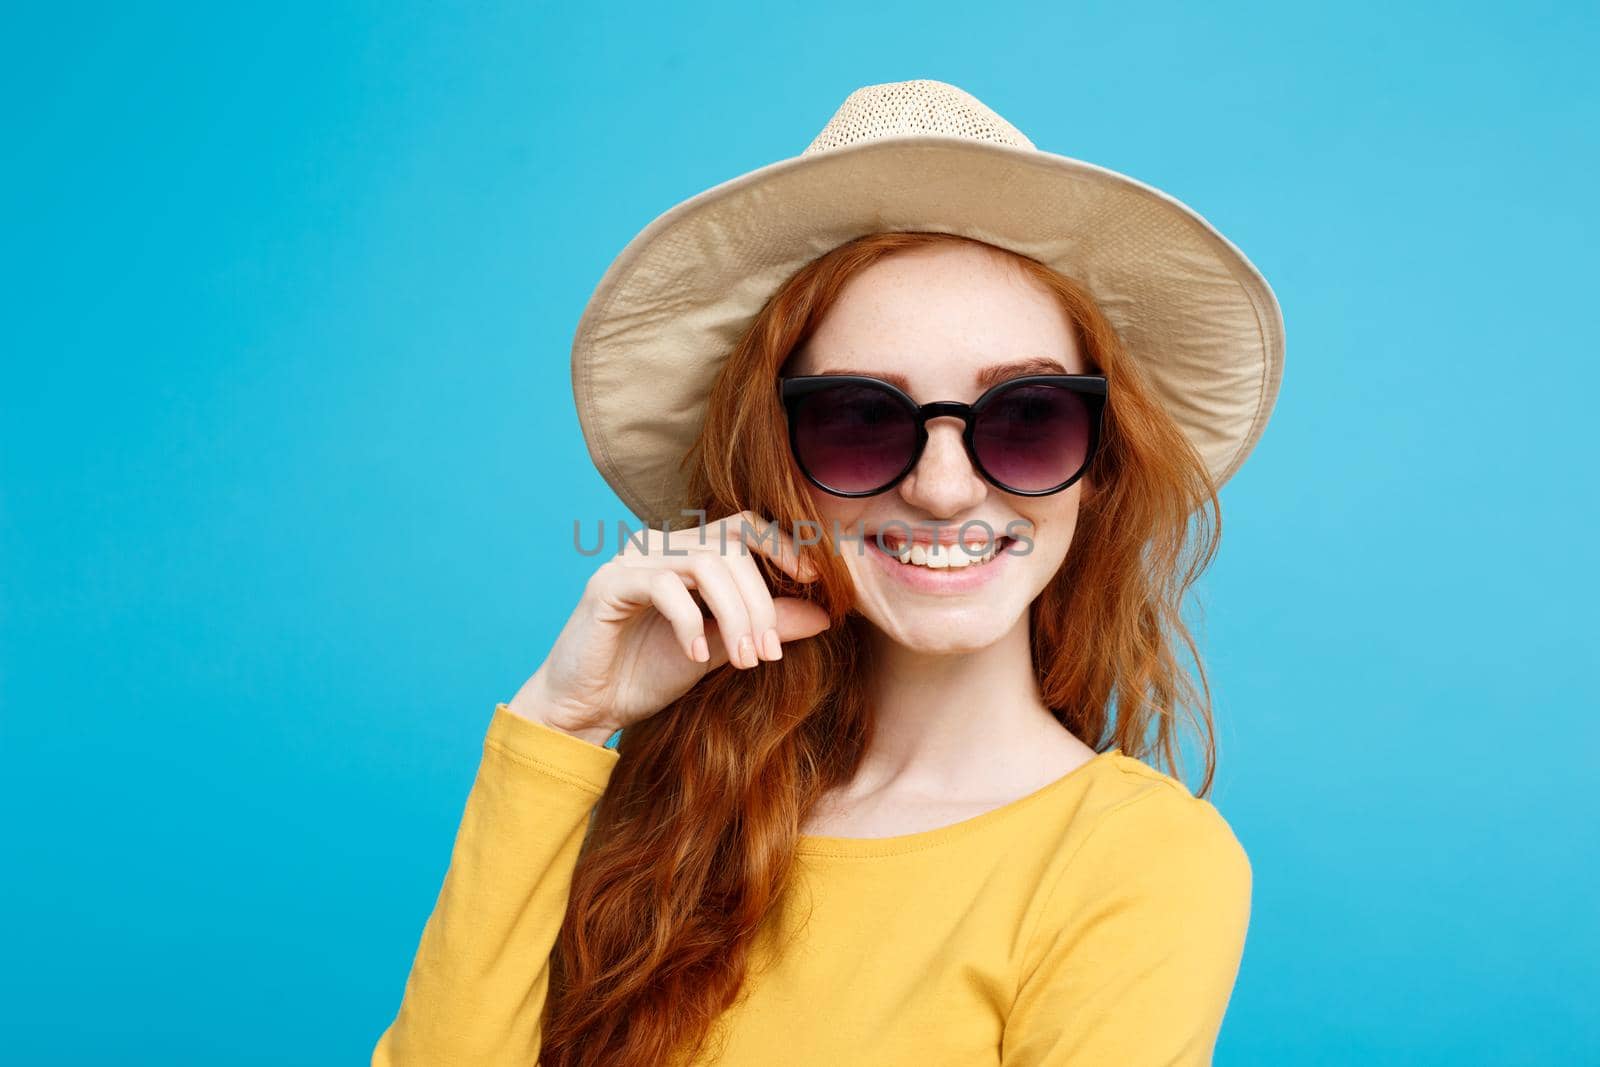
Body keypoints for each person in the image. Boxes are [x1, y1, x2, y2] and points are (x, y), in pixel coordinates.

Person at [372, 79, 1284, 1067]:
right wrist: (563, 718)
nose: (943, 489)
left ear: (1098, 465)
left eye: (1027, 418)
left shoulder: (1136, 861)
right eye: (859, 420)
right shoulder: (669, 813)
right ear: (778, 462)